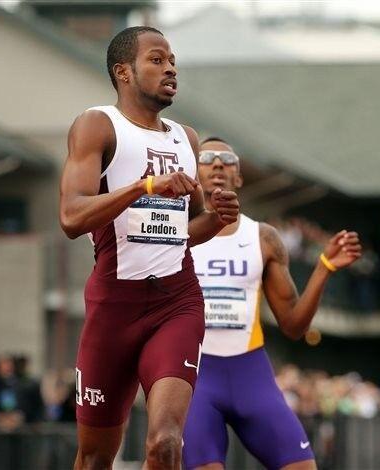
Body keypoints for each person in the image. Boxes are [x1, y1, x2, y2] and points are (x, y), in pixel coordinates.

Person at [59, 27, 239, 470]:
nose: (171, 68)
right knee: (96, 455)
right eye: (157, 60)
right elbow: (71, 217)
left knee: (165, 442)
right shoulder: (98, 125)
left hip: (175, 303)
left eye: (172, 60)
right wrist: (145, 187)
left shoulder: (186, 138)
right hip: (113, 306)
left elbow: (184, 232)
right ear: (123, 72)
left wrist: (217, 217)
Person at [182, 137, 362, 470]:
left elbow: (294, 326)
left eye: (228, 159)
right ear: (194, 172)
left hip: (251, 374)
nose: (219, 164)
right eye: (207, 157)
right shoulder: (178, 235)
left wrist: (323, 268)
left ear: (239, 178)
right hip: (196, 376)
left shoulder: (263, 238)